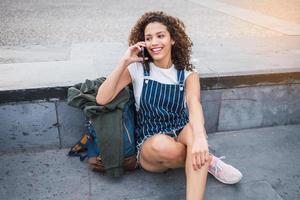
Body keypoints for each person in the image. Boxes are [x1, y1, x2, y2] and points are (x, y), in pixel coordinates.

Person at [96, 11, 242, 200]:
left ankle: (199, 156)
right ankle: (206, 158)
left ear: (173, 39)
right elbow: (102, 98)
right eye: (148, 38)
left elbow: (194, 103)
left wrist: (198, 137)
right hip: (150, 141)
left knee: (195, 131)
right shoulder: (138, 68)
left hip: (181, 131)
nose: (154, 42)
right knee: (164, 146)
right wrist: (124, 62)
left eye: (160, 36)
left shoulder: (187, 72)